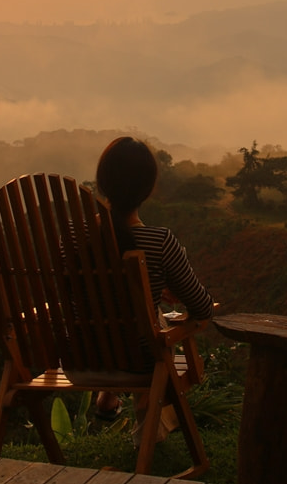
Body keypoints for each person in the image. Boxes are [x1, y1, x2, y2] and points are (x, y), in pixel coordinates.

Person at [89, 137, 214, 438]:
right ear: (148, 190)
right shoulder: (159, 242)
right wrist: (155, 294)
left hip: (85, 354)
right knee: (159, 345)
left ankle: (108, 396)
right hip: (139, 359)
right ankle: (146, 437)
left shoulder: (73, 238)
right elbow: (202, 308)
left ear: (102, 183)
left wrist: (147, 293)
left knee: (142, 329)